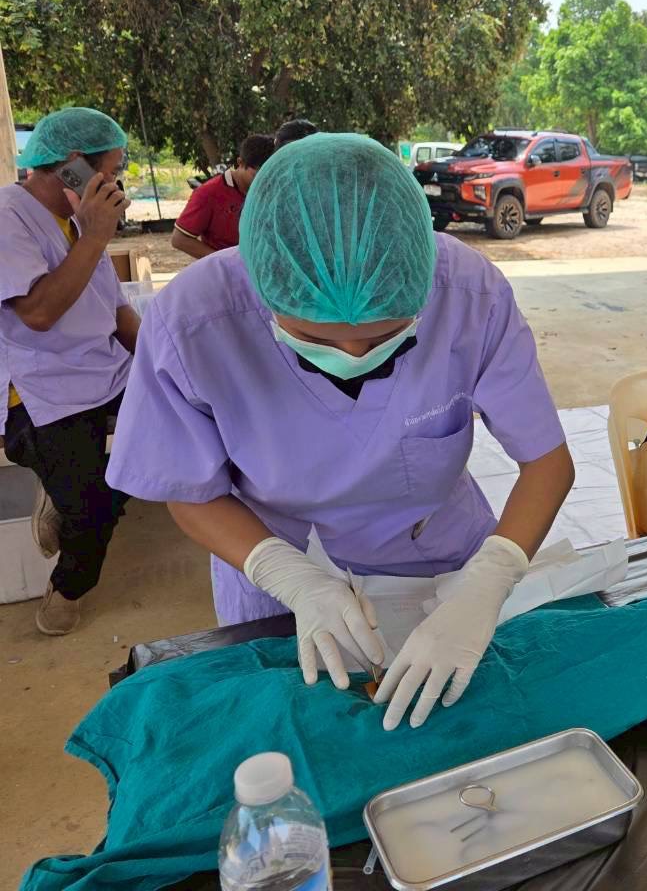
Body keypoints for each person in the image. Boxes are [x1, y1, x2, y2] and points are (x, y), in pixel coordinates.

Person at [106, 133, 574, 730]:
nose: (354, 357)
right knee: (301, 728)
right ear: (262, 289)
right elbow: (188, 489)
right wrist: (291, 579)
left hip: (440, 560)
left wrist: (491, 579)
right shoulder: (193, 322)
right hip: (277, 570)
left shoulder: (469, 293)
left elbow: (547, 461)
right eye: (314, 341)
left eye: (386, 339)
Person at [0, 107, 136, 635]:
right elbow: (38, 313)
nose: (116, 183)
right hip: (44, 391)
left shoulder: (78, 220)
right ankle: (67, 588)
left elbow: (115, 308)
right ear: (75, 164)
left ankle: (65, 495)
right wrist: (96, 235)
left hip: (104, 371)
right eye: (112, 170)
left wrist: (164, 361)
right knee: (93, 514)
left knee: (175, 432)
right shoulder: (9, 216)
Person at [171, 133, 274, 259]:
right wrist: (225, 263)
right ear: (240, 163)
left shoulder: (273, 190)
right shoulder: (209, 193)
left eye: (270, 174)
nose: (265, 181)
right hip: (228, 268)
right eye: (258, 175)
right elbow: (179, 239)